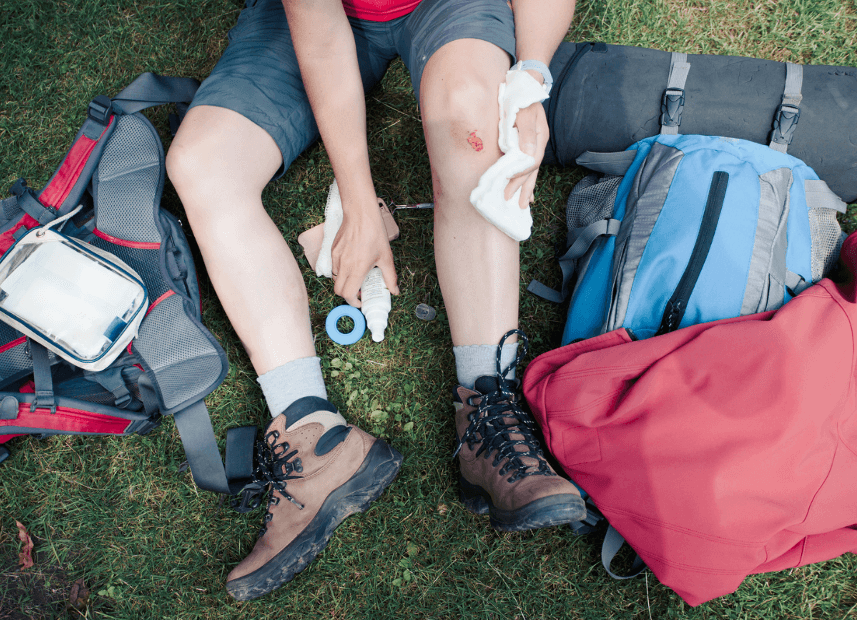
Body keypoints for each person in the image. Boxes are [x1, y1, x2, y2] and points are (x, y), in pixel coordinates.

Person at [166, 0, 584, 601]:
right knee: (203, 165)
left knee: (471, 117)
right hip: (319, 17)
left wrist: (531, 76)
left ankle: (488, 407)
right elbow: (321, 31)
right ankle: (314, 438)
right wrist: (358, 202)